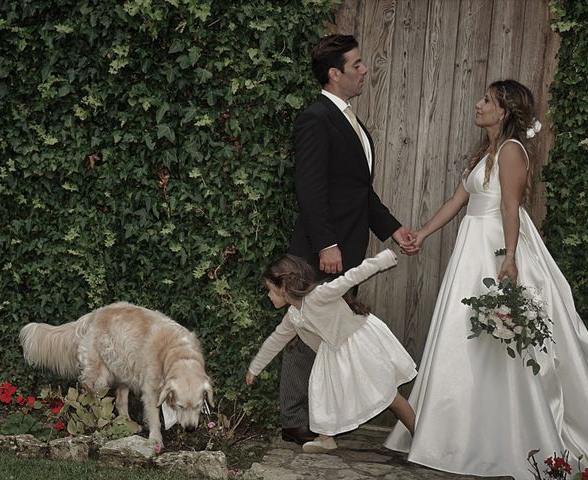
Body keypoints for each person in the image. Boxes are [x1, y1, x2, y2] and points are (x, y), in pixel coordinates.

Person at [384, 79, 588, 479]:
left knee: (498, 339)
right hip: (470, 247)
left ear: (504, 111)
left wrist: (509, 259)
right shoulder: (487, 153)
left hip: (493, 248)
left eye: (487, 101)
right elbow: (459, 201)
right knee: (463, 337)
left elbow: (510, 207)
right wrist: (422, 234)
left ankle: (505, 435)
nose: (478, 105)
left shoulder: (512, 152)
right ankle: (455, 432)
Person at [282, 33, 416, 445]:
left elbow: (360, 193)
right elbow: (310, 188)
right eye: (356, 64)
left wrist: (393, 229)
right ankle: (294, 419)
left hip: (347, 251)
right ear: (334, 74)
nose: (364, 70)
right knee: (307, 331)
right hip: (321, 251)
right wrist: (325, 244)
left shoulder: (352, 123)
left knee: (332, 335)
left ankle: (326, 417)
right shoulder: (315, 119)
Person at [246, 250, 417, 453]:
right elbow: (276, 340)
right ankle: (326, 438)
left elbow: (351, 277)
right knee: (325, 392)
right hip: (335, 351)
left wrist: (383, 260)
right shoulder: (293, 315)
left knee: (389, 397)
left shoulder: (319, 295)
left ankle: (419, 434)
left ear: (284, 286)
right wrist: (255, 368)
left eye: (271, 290)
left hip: (357, 343)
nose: (269, 295)